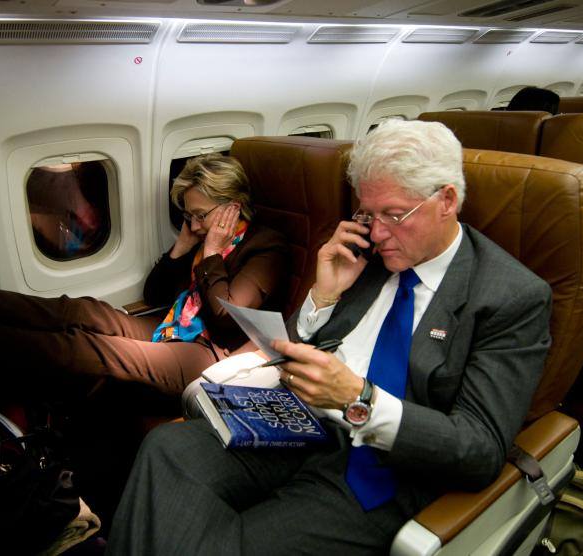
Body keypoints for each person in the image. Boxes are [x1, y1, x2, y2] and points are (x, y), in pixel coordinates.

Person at [107, 119, 552, 555]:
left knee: (230, 542)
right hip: (299, 423)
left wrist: (359, 399)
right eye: (368, 214)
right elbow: (293, 347)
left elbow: (479, 449)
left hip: (380, 465)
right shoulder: (364, 256)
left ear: (447, 200)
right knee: (167, 449)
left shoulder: (510, 297)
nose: (377, 232)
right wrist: (321, 296)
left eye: (394, 215)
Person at [0, 153, 290, 398]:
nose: (192, 224)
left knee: (86, 347)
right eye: (187, 215)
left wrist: (209, 253)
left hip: (211, 356)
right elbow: (157, 292)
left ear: (231, 207)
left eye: (199, 215)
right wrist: (185, 246)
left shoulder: (265, 246)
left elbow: (226, 320)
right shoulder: (202, 239)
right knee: (77, 311)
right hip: (171, 326)